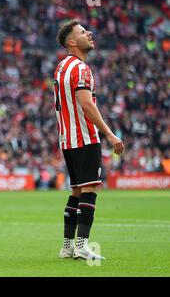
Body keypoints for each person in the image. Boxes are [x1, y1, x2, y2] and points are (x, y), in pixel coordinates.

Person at [54, 20, 124, 260]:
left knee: (76, 191)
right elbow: (86, 104)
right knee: (89, 189)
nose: (89, 33)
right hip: (84, 136)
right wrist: (109, 133)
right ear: (72, 42)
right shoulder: (82, 68)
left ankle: (67, 247)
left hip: (67, 139)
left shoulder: (61, 67)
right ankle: (83, 245)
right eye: (83, 32)